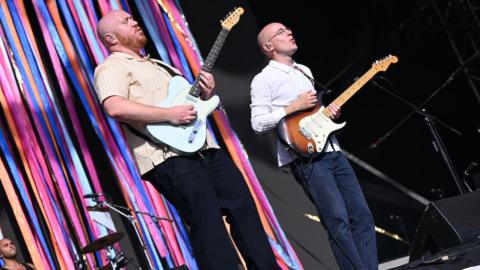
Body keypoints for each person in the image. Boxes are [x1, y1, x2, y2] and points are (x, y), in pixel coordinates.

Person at [94, 10, 279, 270]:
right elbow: (114, 107)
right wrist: (169, 114)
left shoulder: (161, 65)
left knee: (244, 210)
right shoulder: (111, 68)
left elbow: (189, 108)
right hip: (168, 157)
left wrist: (204, 96)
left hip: (205, 148)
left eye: (133, 18)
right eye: (126, 21)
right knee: (208, 226)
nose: (134, 21)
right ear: (110, 37)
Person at [250, 22, 378, 270]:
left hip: (332, 150)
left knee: (362, 216)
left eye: (288, 29)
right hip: (307, 161)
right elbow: (257, 123)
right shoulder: (263, 80)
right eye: (281, 32)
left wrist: (328, 113)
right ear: (268, 46)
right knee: (337, 222)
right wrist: (291, 107)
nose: (289, 32)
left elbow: (313, 114)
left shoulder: (303, 70)